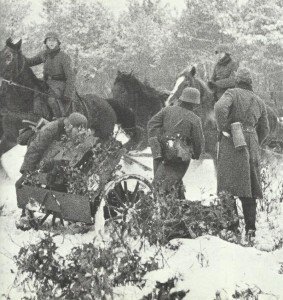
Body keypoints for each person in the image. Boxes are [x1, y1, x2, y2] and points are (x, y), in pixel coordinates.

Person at [214, 67, 270, 239]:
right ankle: (251, 229)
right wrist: (253, 140)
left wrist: (226, 129)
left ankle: (231, 229)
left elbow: (219, 108)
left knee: (227, 185)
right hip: (251, 142)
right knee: (250, 187)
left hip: (232, 142)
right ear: (250, 82)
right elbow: (266, 129)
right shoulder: (259, 100)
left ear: (237, 80)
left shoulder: (231, 93)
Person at [147, 87, 204, 197]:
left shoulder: (167, 110)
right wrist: (196, 154)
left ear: (181, 99)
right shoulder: (195, 119)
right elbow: (198, 143)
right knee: (168, 187)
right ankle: (171, 207)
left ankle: (173, 204)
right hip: (179, 158)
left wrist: (156, 144)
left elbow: (151, 124)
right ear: (195, 104)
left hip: (161, 153)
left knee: (160, 184)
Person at [26, 32, 75, 118]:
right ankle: (38, 118)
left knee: (51, 100)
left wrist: (68, 93)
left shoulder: (64, 57)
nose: (51, 43)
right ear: (46, 42)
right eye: (49, 40)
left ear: (57, 42)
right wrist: (17, 55)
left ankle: (59, 120)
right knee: (35, 92)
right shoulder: (44, 54)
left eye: (54, 40)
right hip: (47, 81)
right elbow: (30, 62)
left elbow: (70, 76)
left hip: (60, 84)